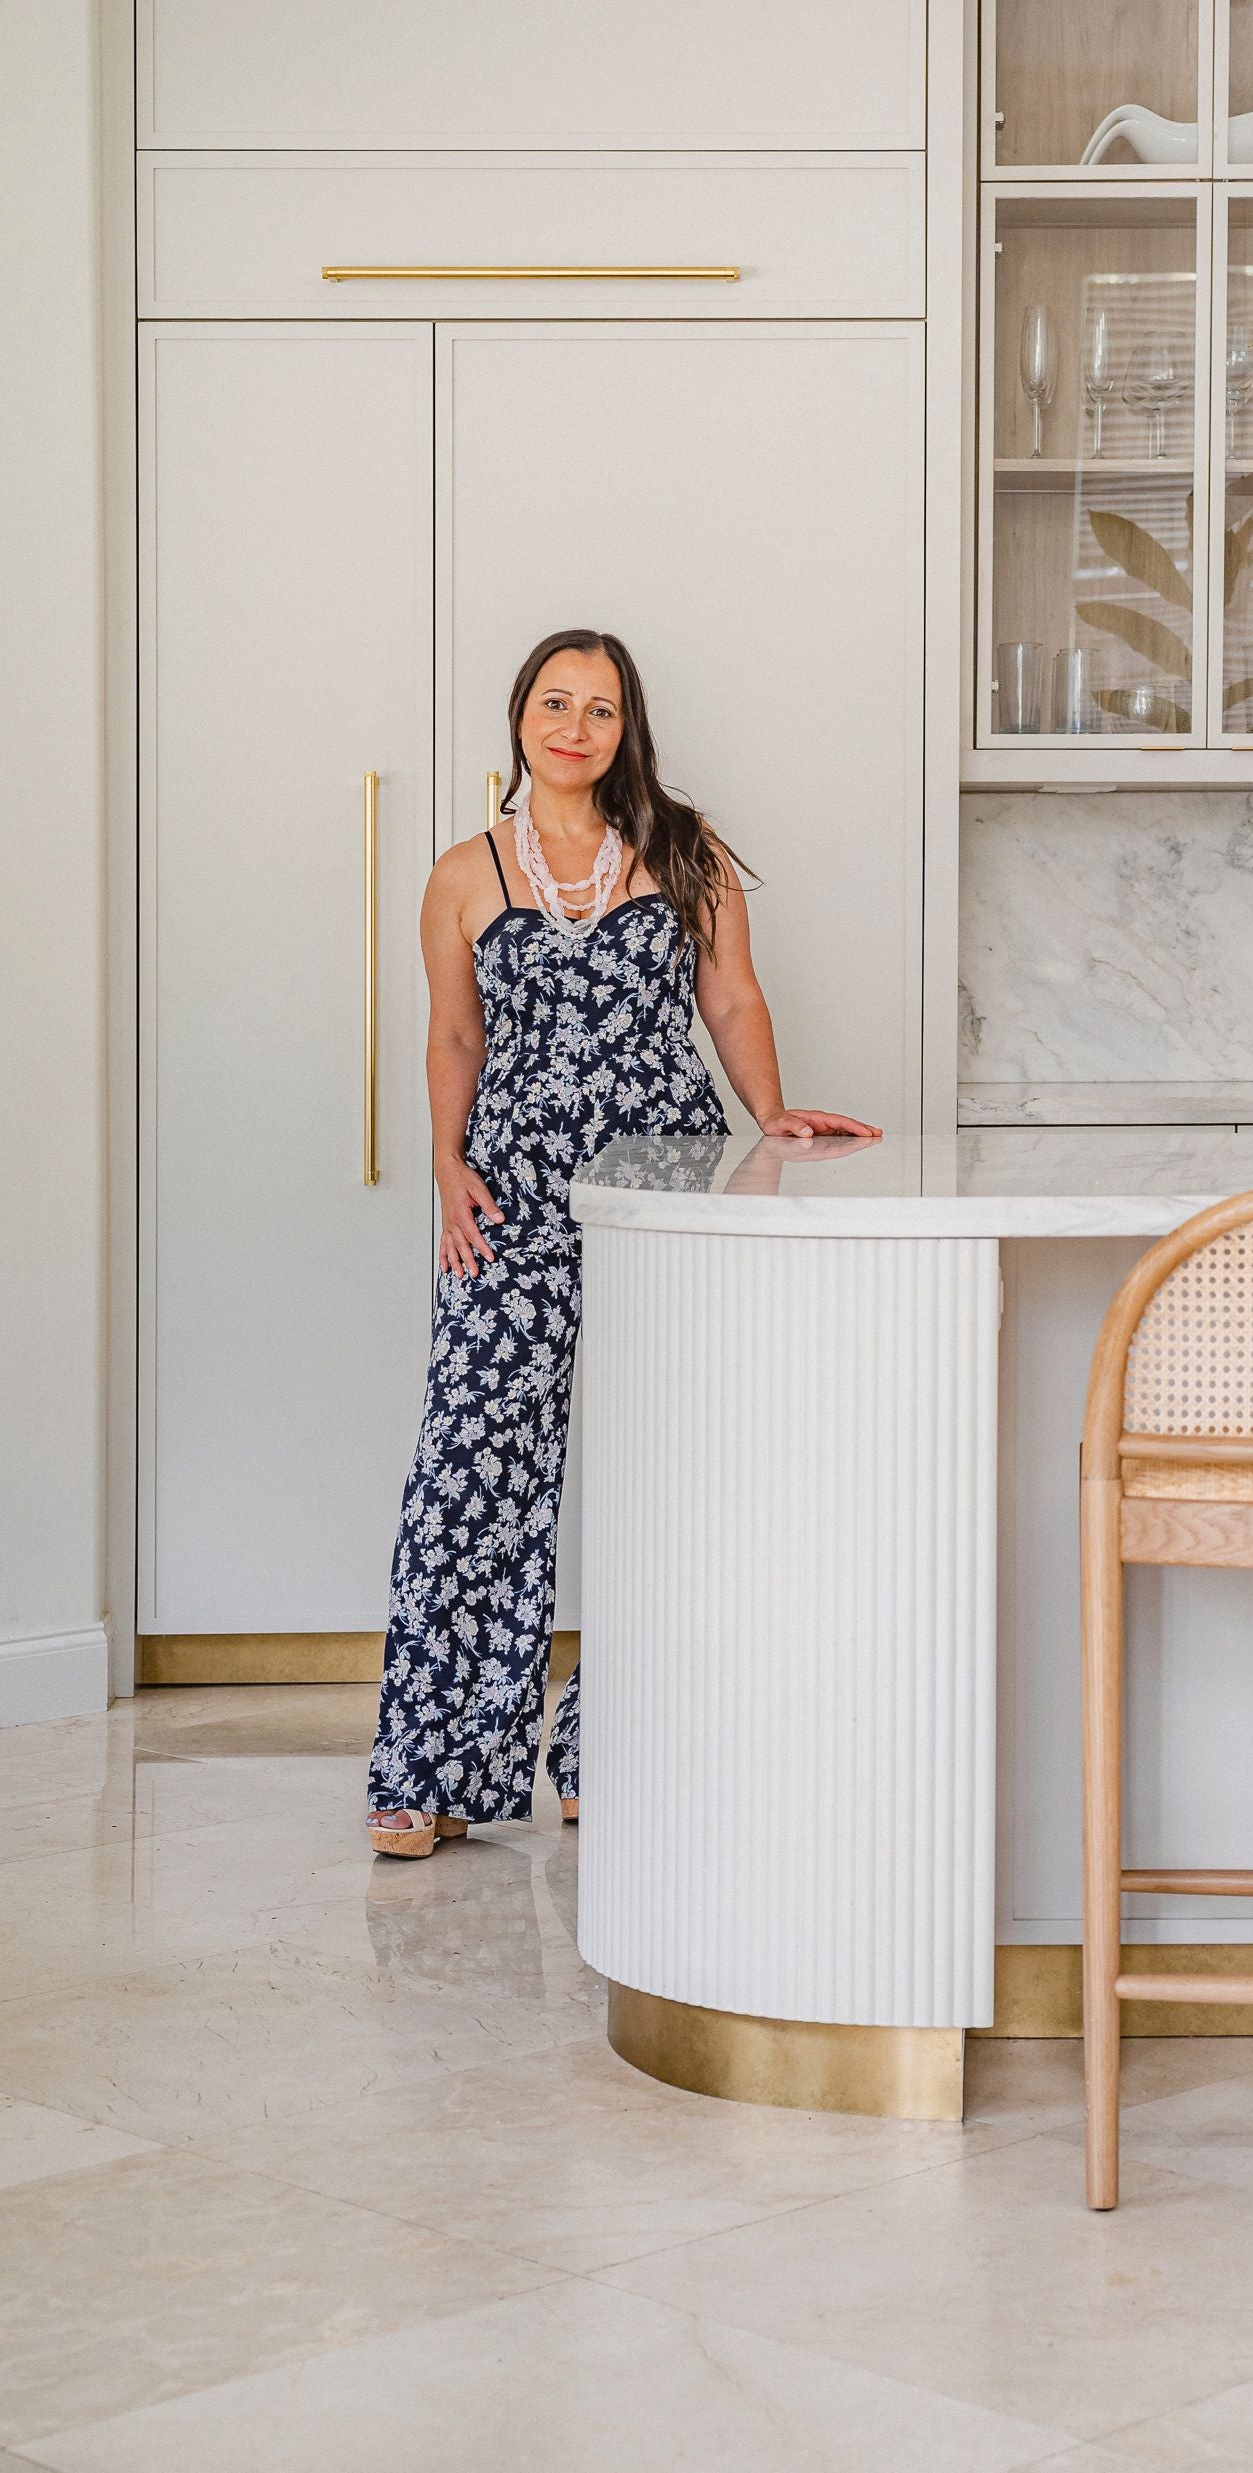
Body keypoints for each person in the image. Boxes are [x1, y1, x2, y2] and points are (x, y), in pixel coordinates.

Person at [366, 628, 878, 1854]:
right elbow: (452, 1040)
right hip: (511, 1196)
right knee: (472, 1467)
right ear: (520, 717)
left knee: (670, 1475)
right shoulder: (461, 873)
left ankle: (617, 1747)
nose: (574, 727)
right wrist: (446, 1165)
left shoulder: (682, 854)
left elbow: (731, 997)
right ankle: (429, 1770)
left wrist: (771, 1115)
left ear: (624, 728)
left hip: (665, 1182)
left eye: (599, 709)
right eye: (555, 702)